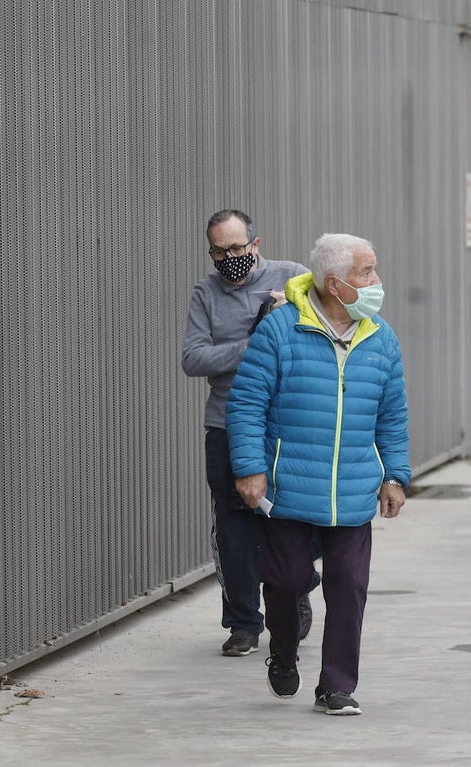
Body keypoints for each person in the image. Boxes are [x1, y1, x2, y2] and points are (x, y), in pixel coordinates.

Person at [227, 232, 410, 716]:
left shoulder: (381, 337)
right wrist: (250, 468)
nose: (376, 280)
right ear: (334, 284)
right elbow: (246, 404)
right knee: (286, 583)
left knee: (348, 589)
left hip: (353, 490)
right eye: (366, 272)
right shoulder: (280, 330)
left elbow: (392, 415)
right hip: (289, 487)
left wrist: (395, 475)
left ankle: (336, 686)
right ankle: (283, 652)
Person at [182, 208, 315, 657]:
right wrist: (255, 342)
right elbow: (193, 359)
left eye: (237, 248)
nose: (229, 258)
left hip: (284, 421)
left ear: (255, 245)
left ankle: (297, 589)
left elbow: (322, 330)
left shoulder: (293, 277)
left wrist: (287, 314)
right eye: (219, 252)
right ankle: (243, 622)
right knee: (234, 527)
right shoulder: (205, 294)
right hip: (225, 422)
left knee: (291, 519)